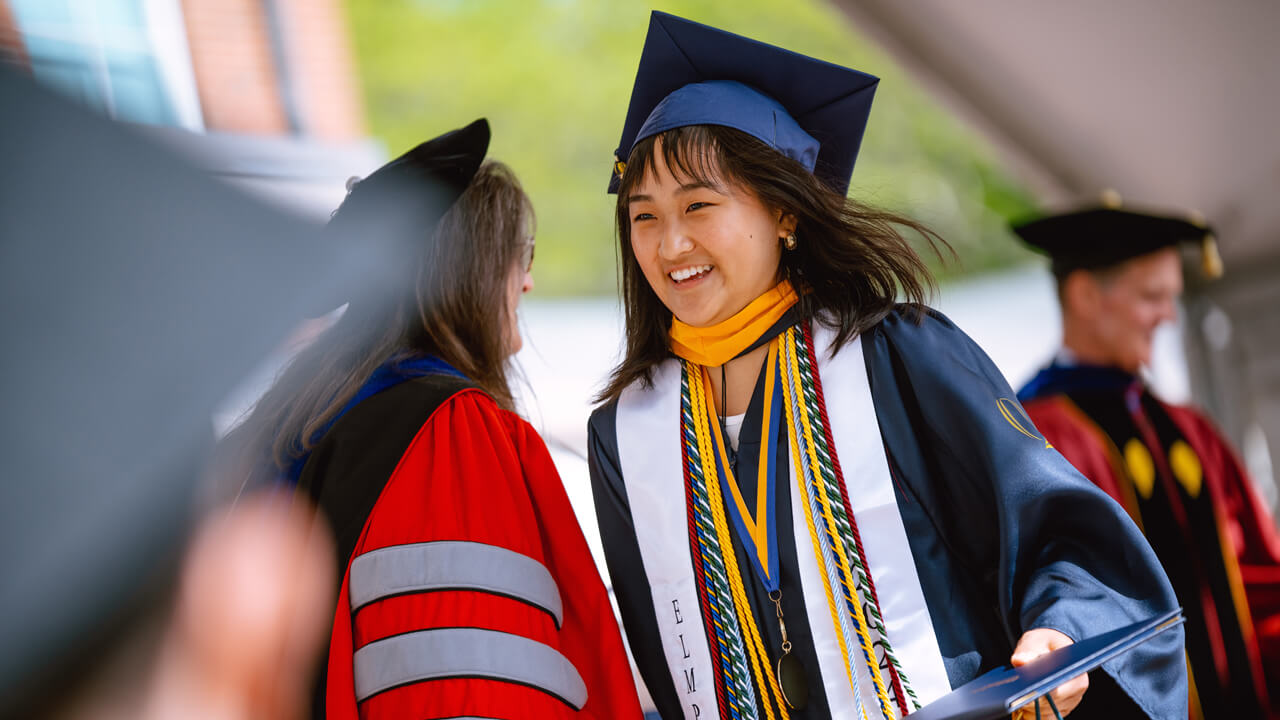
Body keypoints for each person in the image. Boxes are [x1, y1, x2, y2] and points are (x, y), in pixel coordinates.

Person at [587, 12, 1185, 720]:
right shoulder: (627, 434)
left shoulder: (897, 355)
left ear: (785, 213)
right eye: (644, 216)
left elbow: (1064, 532)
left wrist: (1059, 631)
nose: (670, 242)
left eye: (699, 205)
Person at [227, 119, 644, 720]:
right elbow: (468, 690)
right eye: (520, 256)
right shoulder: (448, 433)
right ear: (471, 272)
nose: (527, 280)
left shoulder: (292, 418)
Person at [1014, 204, 1280, 719]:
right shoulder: (1037, 437)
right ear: (1086, 296)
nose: (1170, 316)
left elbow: (1259, 580)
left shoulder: (1189, 429)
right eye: (1152, 297)